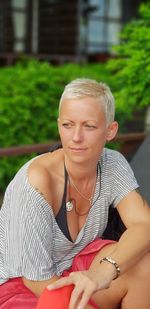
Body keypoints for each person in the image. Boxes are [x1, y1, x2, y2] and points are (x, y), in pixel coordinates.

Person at [0, 78, 150, 309]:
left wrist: (105, 271)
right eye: (68, 125)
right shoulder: (36, 182)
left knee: (144, 263)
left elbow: (144, 224)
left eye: (89, 126)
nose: (76, 137)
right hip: (23, 286)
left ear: (110, 130)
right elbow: (36, 280)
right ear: (59, 124)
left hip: (76, 269)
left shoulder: (112, 164)